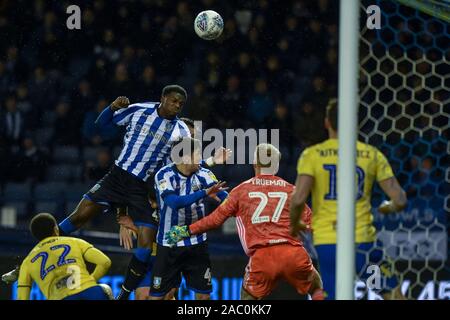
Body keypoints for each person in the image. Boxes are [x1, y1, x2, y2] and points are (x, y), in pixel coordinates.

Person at [58, 85, 191, 300]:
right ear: (163, 98)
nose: (177, 106)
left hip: (140, 187)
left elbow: (175, 166)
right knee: (78, 217)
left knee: (146, 243)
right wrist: (111, 108)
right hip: (116, 177)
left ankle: (123, 294)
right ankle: (38, 251)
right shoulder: (140, 110)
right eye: (174, 101)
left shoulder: (181, 131)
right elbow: (101, 124)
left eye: (181, 104)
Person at [166, 143, 324, 300]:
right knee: (315, 284)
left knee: (247, 301)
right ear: (276, 166)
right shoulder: (291, 190)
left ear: (255, 164)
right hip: (292, 252)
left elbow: (214, 220)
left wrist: (187, 230)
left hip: (263, 257)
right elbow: (310, 221)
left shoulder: (241, 191)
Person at [289, 98, 408, 300]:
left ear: (327, 122)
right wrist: (388, 207)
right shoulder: (371, 154)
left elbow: (298, 198)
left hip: (328, 243)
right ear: (354, 122)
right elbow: (400, 198)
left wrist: (294, 224)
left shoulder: (312, 155)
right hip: (363, 244)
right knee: (393, 294)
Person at [148, 137, 228, 300]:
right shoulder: (164, 175)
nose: (201, 158)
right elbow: (174, 203)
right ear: (184, 157)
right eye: (197, 153)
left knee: (203, 296)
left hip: (197, 242)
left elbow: (227, 199)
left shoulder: (205, 174)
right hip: (169, 242)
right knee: (161, 296)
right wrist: (204, 193)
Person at [17, 213, 113, 300]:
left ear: (35, 236)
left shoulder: (27, 262)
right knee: (105, 289)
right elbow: (105, 262)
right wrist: (90, 281)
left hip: (60, 297)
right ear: (56, 229)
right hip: (91, 293)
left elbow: (22, 298)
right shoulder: (74, 242)